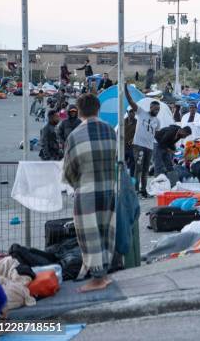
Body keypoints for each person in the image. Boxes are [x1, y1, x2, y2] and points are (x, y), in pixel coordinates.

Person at [62, 93, 116, 292]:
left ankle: (97, 279)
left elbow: (68, 171)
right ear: (98, 109)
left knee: (89, 235)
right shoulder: (111, 131)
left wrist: (78, 185)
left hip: (86, 192)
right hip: (109, 189)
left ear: (79, 111)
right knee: (105, 232)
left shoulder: (75, 135)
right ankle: (104, 274)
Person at [124, 84, 160, 197]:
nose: (157, 111)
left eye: (158, 109)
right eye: (155, 109)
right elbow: (130, 101)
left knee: (145, 170)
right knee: (138, 168)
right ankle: (135, 190)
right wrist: (126, 90)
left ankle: (143, 191)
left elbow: (156, 134)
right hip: (138, 145)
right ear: (150, 108)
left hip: (149, 147)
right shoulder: (141, 113)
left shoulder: (157, 121)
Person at [124, 108, 137, 177]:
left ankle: (132, 178)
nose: (132, 113)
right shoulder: (122, 122)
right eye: (131, 112)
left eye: (134, 112)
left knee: (133, 162)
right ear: (127, 112)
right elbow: (118, 132)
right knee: (121, 162)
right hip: (123, 146)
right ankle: (122, 177)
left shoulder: (137, 122)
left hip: (132, 146)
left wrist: (133, 139)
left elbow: (138, 134)